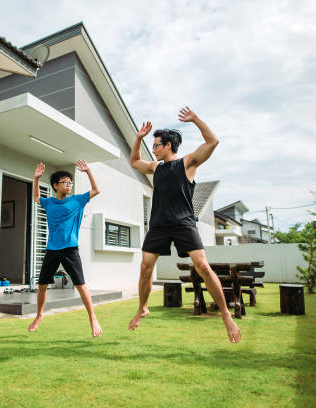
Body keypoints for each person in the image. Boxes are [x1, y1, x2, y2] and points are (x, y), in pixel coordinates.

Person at [128, 106, 241, 343]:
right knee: (145, 268)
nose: (154, 148)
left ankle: (226, 315)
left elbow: (213, 141)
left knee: (202, 265)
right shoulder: (155, 167)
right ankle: (143, 307)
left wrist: (196, 119)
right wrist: (138, 138)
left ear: (168, 145)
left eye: (156, 144)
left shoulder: (187, 163)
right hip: (159, 224)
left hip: (183, 223)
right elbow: (134, 161)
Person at [28, 160, 103, 338]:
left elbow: (96, 190)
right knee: (42, 285)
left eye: (71, 183)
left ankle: (93, 317)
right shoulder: (50, 203)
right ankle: (39, 314)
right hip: (52, 249)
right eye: (65, 182)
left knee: (81, 285)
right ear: (56, 185)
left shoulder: (77, 201)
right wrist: (36, 178)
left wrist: (88, 171)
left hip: (70, 249)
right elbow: (36, 197)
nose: (69, 185)